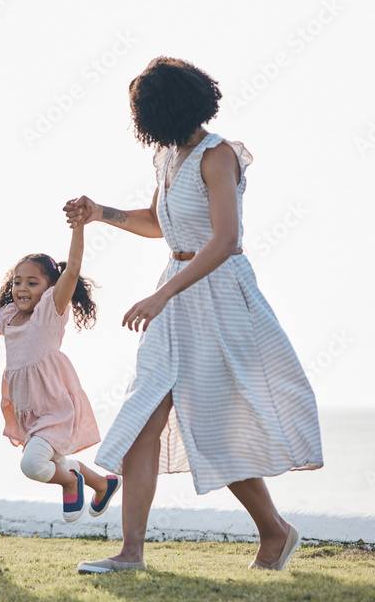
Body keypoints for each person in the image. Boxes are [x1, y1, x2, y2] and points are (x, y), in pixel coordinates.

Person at [65, 57, 323, 574]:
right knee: (145, 416)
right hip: (176, 293)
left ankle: (275, 531)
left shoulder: (217, 154)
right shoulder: (167, 157)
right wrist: (100, 214)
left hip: (219, 296)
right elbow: (159, 223)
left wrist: (162, 296)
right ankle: (131, 553)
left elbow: (226, 240)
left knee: (213, 428)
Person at [0, 223, 121, 522]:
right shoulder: (7, 316)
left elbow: (73, 268)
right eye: (17, 282)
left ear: (50, 288)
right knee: (51, 459)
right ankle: (102, 484)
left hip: (56, 407)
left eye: (32, 282)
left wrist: (78, 227)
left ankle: (70, 481)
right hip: (29, 410)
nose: (22, 289)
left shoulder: (50, 310)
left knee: (33, 465)